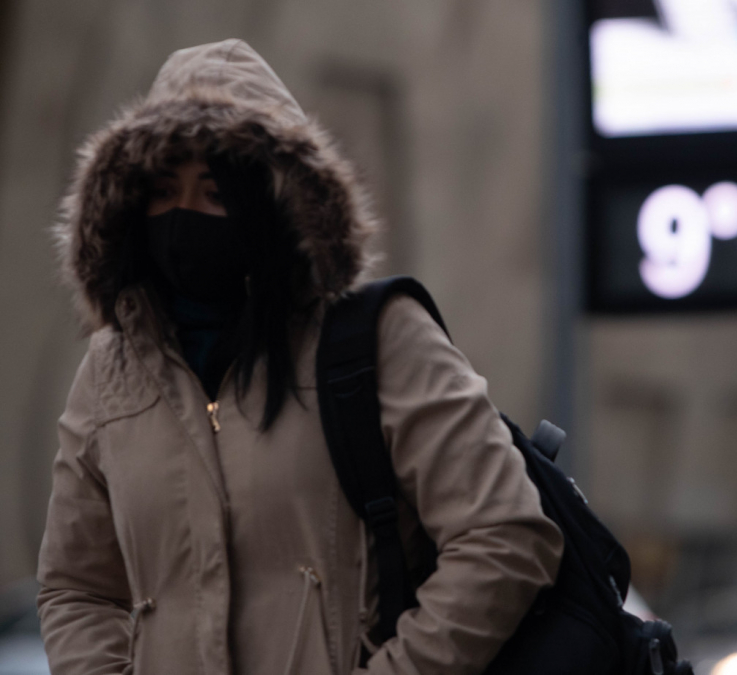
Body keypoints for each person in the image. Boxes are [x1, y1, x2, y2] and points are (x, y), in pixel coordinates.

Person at [37, 39, 563, 675]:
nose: (184, 215)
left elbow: (504, 534)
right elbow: (77, 586)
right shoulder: (109, 374)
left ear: (275, 204)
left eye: (215, 192)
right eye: (164, 189)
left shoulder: (378, 339)